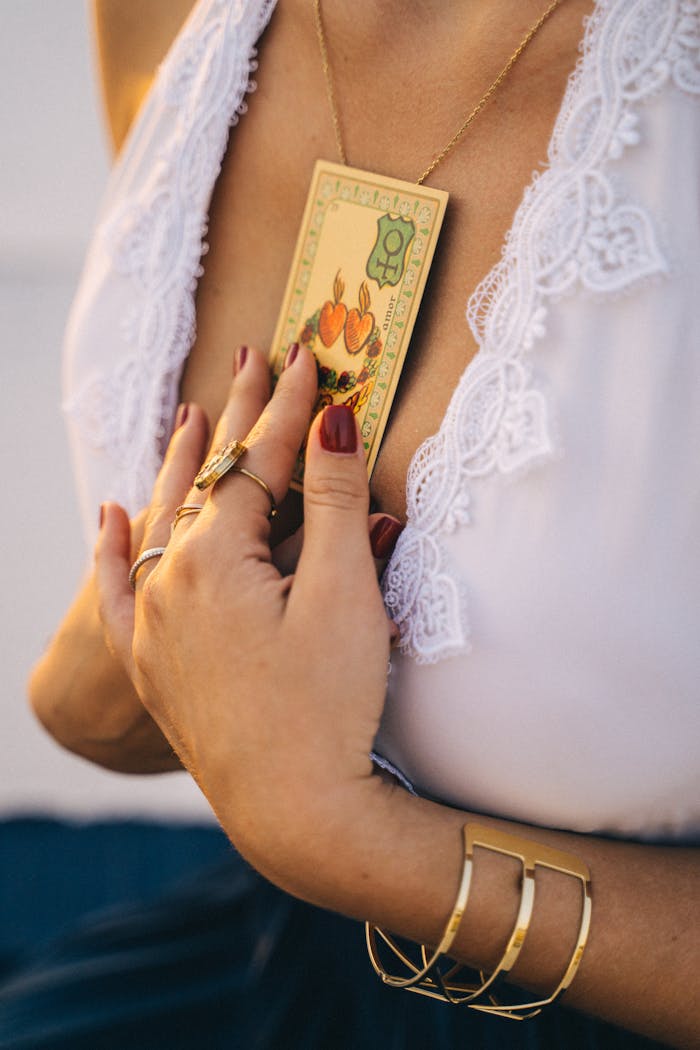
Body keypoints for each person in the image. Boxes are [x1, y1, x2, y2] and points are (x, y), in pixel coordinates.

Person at [19, 0, 699, 1046]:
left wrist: (349, 841)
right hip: (271, 956)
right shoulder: (169, 14)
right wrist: (141, 642)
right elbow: (90, 700)